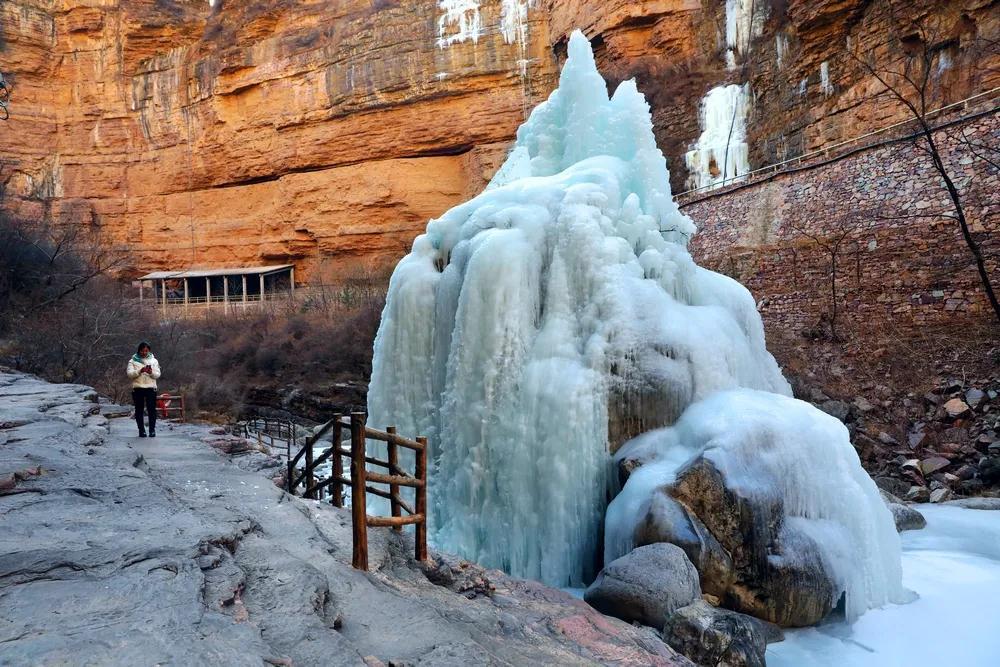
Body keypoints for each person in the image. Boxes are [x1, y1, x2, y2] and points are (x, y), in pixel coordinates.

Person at [126, 341, 161, 437]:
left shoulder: (154, 361)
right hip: (138, 388)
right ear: (139, 350)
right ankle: (141, 430)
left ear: (149, 351)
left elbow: (157, 375)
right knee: (139, 410)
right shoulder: (132, 361)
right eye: (142, 351)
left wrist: (151, 372)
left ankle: (152, 430)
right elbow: (129, 374)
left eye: (146, 351)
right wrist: (140, 371)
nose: (144, 352)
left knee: (151, 410)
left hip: (151, 388)